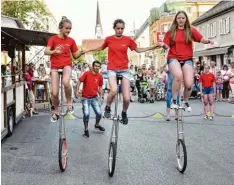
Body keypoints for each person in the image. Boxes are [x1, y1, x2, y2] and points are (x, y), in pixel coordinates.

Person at [82, 19, 159, 124]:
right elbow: (100, 47)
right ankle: (108, 108)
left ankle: (124, 112)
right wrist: (86, 50)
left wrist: (153, 47)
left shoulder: (127, 40)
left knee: (127, 98)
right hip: (112, 69)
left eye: (122, 29)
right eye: (118, 28)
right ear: (114, 28)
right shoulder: (109, 39)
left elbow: (138, 49)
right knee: (113, 89)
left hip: (124, 70)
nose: (120, 30)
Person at [158, 11, 214, 112]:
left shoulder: (190, 30)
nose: (181, 20)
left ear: (186, 19)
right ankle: (174, 100)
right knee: (178, 75)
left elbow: (201, 39)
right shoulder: (171, 31)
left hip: (187, 58)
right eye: (179, 18)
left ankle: (186, 101)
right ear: (176, 19)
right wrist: (163, 45)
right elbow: (166, 46)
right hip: (173, 57)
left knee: (189, 84)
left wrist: (208, 41)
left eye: (183, 18)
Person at [44, 16, 82, 122]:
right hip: (55, 66)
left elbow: (75, 55)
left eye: (70, 29)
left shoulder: (71, 41)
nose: (69, 30)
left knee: (66, 82)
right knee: (55, 93)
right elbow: (46, 51)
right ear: (60, 28)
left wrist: (82, 51)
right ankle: (55, 111)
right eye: (67, 28)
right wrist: (54, 51)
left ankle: (69, 104)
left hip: (66, 64)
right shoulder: (53, 39)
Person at [75, 61, 105, 138]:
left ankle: (97, 124)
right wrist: (76, 91)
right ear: (92, 66)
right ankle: (86, 130)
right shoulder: (87, 73)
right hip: (85, 98)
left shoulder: (100, 76)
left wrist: (101, 96)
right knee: (86, 114)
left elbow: (100, 87)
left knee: (99, 113)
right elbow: (79, 81)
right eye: (95, 66)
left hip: (95, 97)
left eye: (98, 66)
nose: (97, 67)